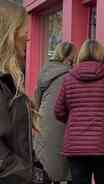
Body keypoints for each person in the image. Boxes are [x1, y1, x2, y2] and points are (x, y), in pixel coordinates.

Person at [54, 40, 104, 184]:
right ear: (102, 55)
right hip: (103, 144)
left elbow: (58, 111)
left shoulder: (69, 79)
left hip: (75, 145)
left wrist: (74, 120)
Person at [0, 1, 40, 183]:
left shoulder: (9, 81)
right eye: (24, 32)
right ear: (9, 33)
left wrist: (37, 171)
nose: (28, 38)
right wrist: (29, 176)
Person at [34, 42, 77, 184]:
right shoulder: (71, 75)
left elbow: (37, 100)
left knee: (44, 164)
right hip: (62, 123)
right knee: (60, 166)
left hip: (43, 121)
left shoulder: (45, 71)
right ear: (69, 58)